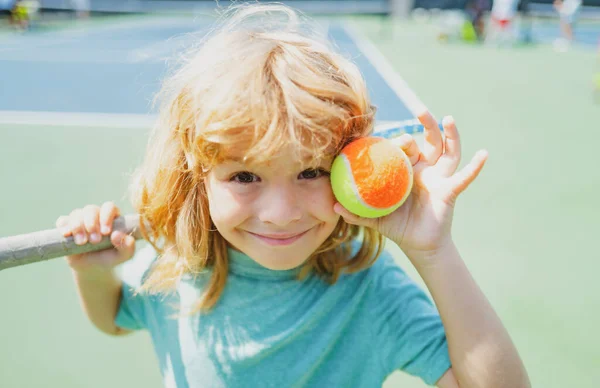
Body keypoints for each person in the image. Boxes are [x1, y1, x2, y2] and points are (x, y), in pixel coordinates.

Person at [56, 4, 530, 387]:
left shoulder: (368, 291)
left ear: (349, 166)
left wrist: (434, 251)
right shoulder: (178, 264)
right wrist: (95, 276)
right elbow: (117, 316)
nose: (280, 214)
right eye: (244, 177)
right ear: (197, 176)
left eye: (310, 172)